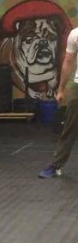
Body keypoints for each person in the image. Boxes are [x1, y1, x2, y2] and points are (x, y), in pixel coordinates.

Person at [39, 26, 77, 179]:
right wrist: (61, 89)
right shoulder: (75, 34)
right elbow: (68, 62)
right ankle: (56, 166)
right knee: (70, 127)